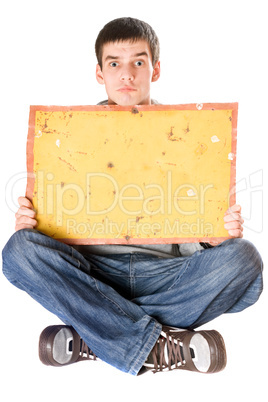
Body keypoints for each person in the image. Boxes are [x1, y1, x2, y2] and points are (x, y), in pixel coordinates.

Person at [2, 17, 263, 376]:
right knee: (19, 251)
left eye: (138, 62)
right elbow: (48, 241)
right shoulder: (67, 137)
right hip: (95, 271)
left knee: (244, 261)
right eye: (114, 64)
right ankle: (156, 343)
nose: (127, 74)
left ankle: (98, 332)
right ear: (100, 73)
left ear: (155, 70)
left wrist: (212, 236)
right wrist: (34, 227)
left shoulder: (187, 137)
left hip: (166, 272)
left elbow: (201, 239)